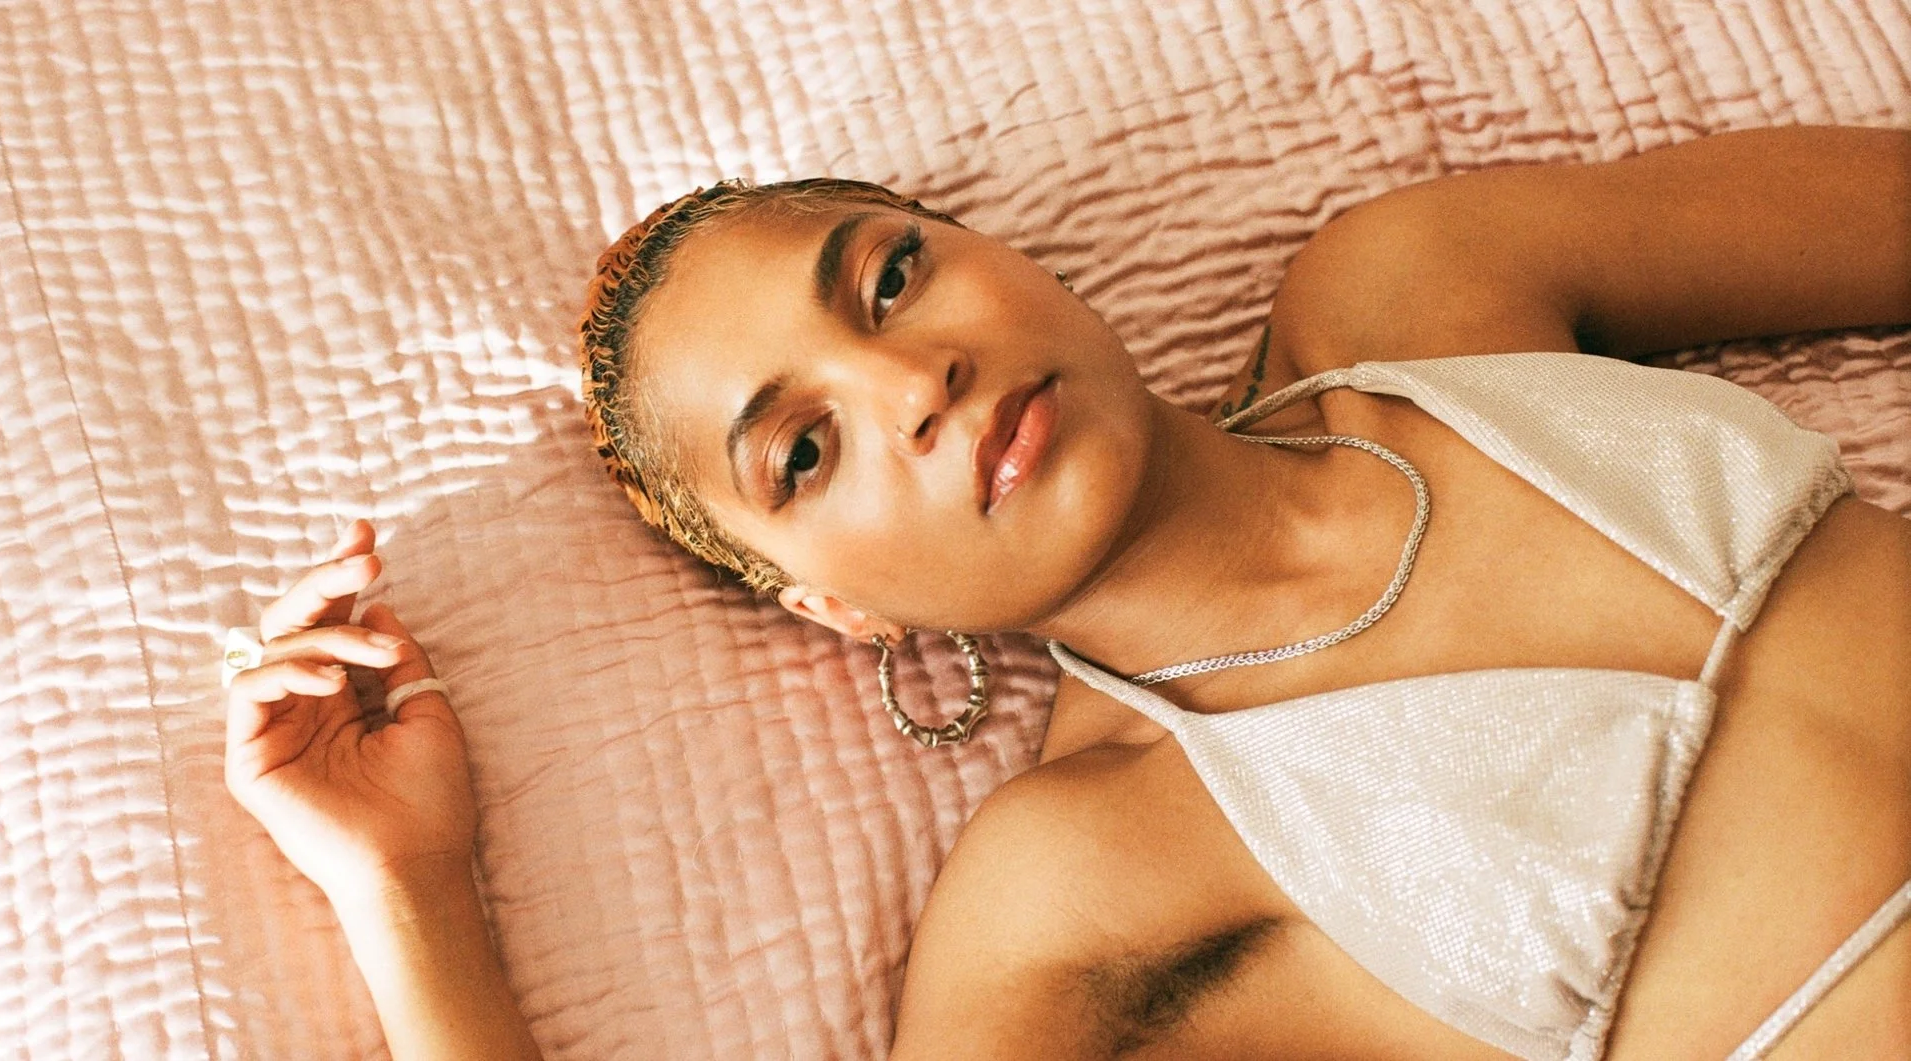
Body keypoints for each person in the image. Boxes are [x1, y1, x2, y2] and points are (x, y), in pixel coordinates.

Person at [223, 123, 1911, 1059]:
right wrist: (410, 891)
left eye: (890, 278)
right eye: (803, 452)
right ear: (839, 610)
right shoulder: (1087, 882)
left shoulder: (1417, 295)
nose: (913, 384)